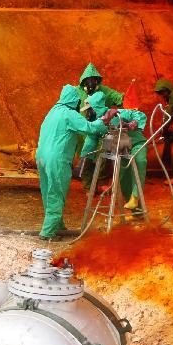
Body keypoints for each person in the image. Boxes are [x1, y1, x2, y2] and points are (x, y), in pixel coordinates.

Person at [36, 85, 116, 240]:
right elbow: (89, 128)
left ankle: (57, 225)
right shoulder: (69, 114)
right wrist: (102, 121)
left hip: (41, 157)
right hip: (56, 158)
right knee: (56, 193)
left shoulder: (52, 112)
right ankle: (47, 232)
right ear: (74, 100)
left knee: (48, 191)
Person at [83, 92, 148, 210]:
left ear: (96, 108)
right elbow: (92, 137)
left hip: (137, 143)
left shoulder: (119, 113)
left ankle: (135, 197)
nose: (87, 114)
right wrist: (88, 155)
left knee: (140, 162)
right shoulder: (98, 123)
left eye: (89, 110)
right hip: (122, 147)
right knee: (124, 178)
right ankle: (137, 213)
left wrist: (133, 123)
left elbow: (140, 115)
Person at [75, 63, 124, 183]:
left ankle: (101, 181)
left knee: (105, 154)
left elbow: (120, 98)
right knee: (86, 157)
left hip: (101, 129)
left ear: (98, 81)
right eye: (88, 81)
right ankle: (88, 185)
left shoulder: (104, 91)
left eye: (93, 81)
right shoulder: (76, 92)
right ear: (83, 83)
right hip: (83, 131)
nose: (91, 84)